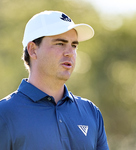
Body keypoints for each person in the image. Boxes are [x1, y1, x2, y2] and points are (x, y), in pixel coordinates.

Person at [0, 10, 109, 150]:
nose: (70, 52)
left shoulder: (91, 112)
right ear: (33, 50)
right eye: (60, 43)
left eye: (74, 45)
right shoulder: (4, 114)